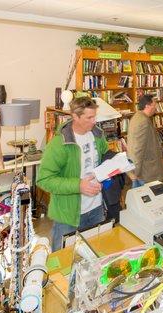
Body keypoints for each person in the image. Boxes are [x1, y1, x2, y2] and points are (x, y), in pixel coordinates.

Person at [38, 97, 109, 251]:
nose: (94, 121)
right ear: (75, 117)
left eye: (94, 116)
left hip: (97, 209)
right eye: (89, 117)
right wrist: (78, 185)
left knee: (95, 256)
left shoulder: (98, 135)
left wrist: (118, 161)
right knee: (63, 263)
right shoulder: (59, 143)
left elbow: (104, 157)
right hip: (68, 216)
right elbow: (44, 179)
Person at [126, 94, 163, 187]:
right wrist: (135, 174)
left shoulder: (139, 117)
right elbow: (137, 149)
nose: (156, 108)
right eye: (154, 105)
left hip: (145, 169)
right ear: (147, 106)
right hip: (146, 173)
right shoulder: (142, 121)